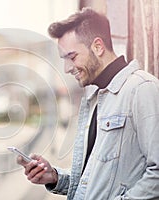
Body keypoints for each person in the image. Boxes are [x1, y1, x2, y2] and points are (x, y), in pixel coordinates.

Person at [17, 7, 159, 200]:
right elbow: (95, 179)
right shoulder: (97, 99)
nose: (67, 68)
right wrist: (54, 177)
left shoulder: (142, 88)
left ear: (98, 47)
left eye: (72, 57)